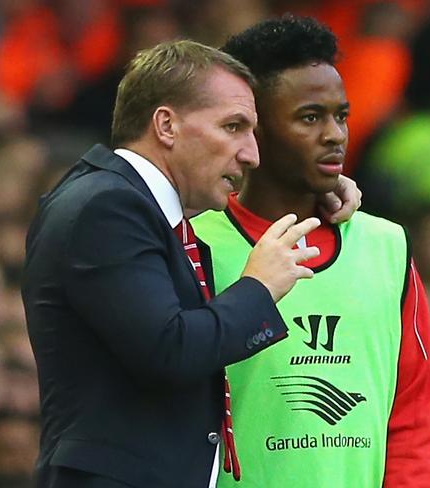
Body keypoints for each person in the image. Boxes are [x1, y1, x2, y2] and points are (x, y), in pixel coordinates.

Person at [21, 39, 360, 488]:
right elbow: (171, 349)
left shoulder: (146, 211)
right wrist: (260, 287)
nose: (251, 154)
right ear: (166, 125)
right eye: (233, 127)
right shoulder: (105, 207)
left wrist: (315, 192)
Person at [192, 15, 430, 487]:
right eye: (310, 117)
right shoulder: (195, 241)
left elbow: (412, 413)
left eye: (340, 115)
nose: (335, 134)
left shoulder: (387, 245)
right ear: (253, 129)